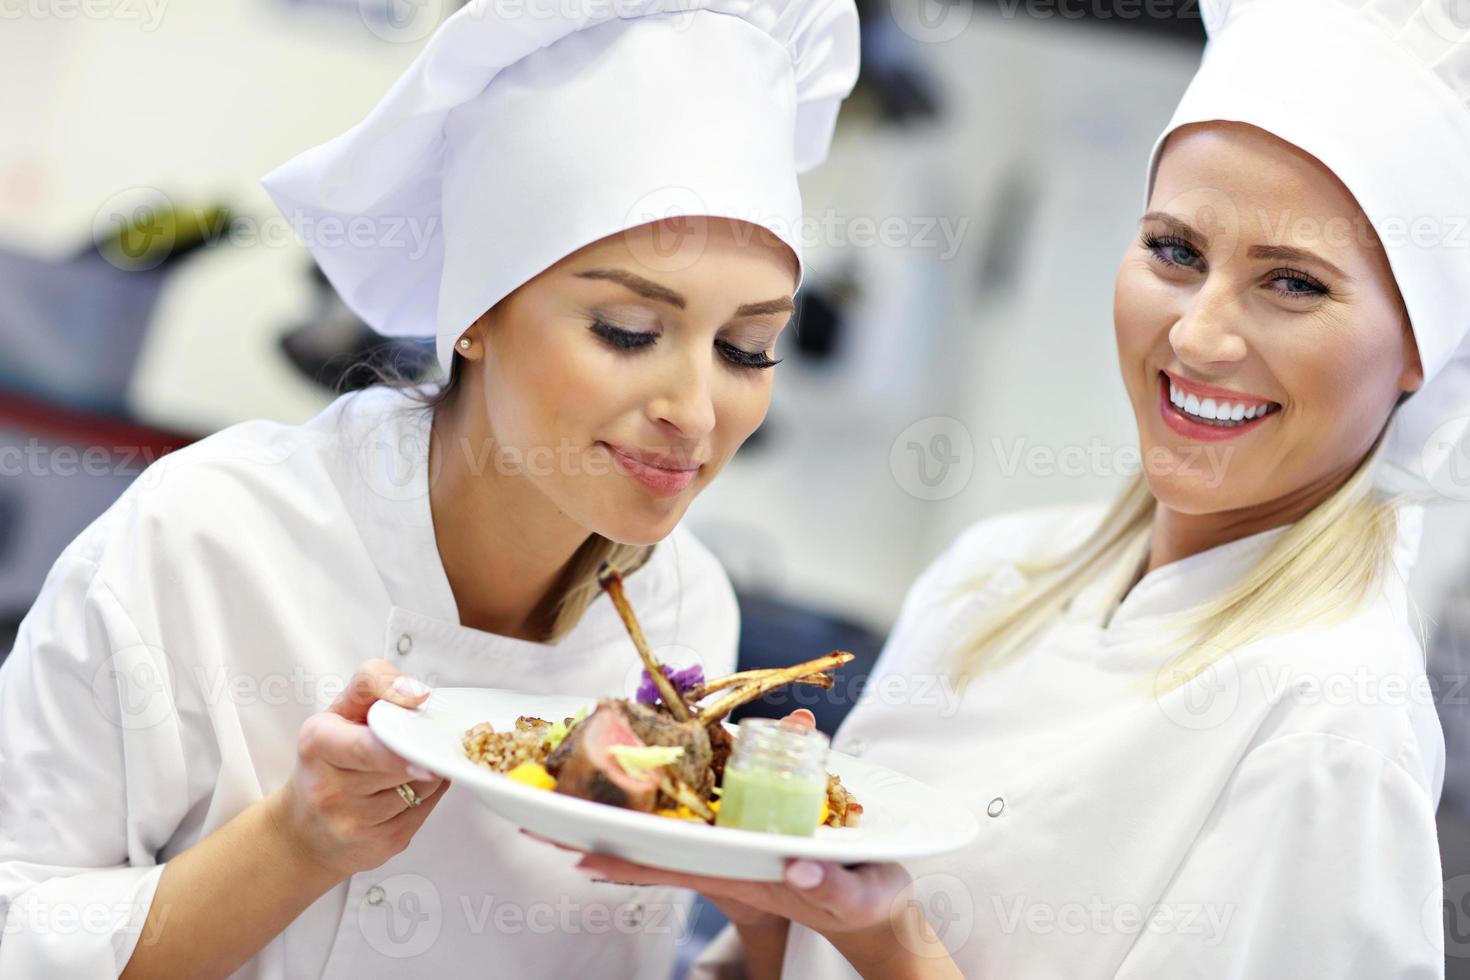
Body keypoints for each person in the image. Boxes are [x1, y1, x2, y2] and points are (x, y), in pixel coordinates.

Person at [575, 1, 1469, 976]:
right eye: (1176, 250)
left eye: (1293, 282)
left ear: (1418, 350)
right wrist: (763, 913)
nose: (1199, 336)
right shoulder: (996, 572)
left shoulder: (1335, 721)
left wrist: (894, 944)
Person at [0, 1, 859, 976]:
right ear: (475, 312)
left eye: (748, 349)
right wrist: (292, 844)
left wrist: (771, 934)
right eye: (627, 329)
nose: (696, 411)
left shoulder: (684, 607)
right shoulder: (209, 538)